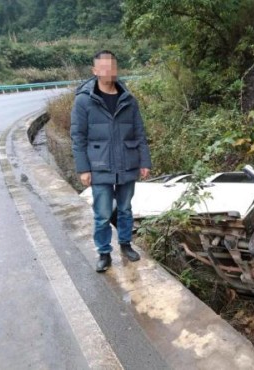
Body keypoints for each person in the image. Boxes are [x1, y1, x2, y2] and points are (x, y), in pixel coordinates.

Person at [71, 50, 151, 272]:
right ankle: (104, 253)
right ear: (95, 70)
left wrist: (145, 162)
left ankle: (125, 244)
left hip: (127, 161)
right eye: (103, 67)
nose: (109, 71)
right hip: (99, 165)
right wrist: (83, 168)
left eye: (112, 67)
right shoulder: (83, 101)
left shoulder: (128, 98)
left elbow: (139, 132)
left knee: (125, 209)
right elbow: (78, 137)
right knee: (103, 214)